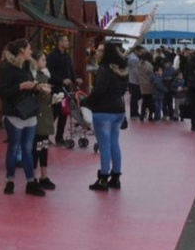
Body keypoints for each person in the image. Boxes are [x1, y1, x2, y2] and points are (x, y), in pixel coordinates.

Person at [0, 38, 47, 197]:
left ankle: (30, 181)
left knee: (27, 148)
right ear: (21, 50)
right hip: (14, 113)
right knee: (14, 147)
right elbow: (3, 92)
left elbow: (29, 85)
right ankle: (10, 180)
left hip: (29, 112)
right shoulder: (6, 67)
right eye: (29, 49)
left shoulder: (27, 66)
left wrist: (37, 87)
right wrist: (21, 86)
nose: (31, 52)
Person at [81, 40, 128, 191]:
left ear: (107, 53)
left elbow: (99, 90)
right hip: (118, 110)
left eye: (101, 51)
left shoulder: (103, 69)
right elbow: (122, 90)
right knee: (114, 142)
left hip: (103, 110)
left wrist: (86, 102)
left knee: (104, 145)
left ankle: (103, 178)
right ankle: (116, 177)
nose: (97, 53)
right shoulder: (120, 69)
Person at [31, 51, 56, 190]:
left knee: (43, 146)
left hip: (45, 113)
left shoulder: (44, 76)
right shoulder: (34, 77)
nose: (45, 62)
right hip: (39, 115)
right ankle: (34, 176)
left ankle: (44, 175)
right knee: (37, 147)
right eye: (42, 59)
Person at [48, 35, 76, 145]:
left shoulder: (67, 56)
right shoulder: (53, 56)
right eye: (65, 40)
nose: (68, 42)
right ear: (60, 43)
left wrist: (74, 79)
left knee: (64, 113)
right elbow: (50, 73)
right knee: (54, 112)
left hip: (66, 90)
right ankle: (45, 135)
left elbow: (70, 69)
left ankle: (59, 137)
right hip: (57, 89)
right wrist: (61, 80)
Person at [126, 46, 142, 121]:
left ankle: (134, 112)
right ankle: (134, 112)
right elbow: (136, 71)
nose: (141, 53)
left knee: (134, 97)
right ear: (136, 50)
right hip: (134, 80)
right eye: (140, 51)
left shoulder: (131, 57)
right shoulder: (134, 59)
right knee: (135, 97)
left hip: (131, 79)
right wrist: (140, 78)